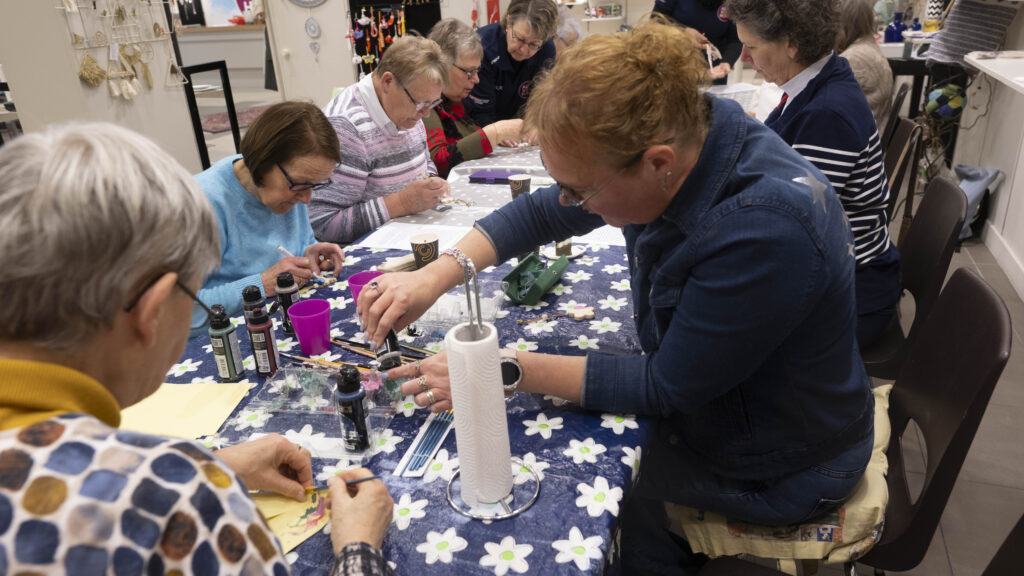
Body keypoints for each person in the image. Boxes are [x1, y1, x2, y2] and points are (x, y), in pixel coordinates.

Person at [358, 22, 874, 575]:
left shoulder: (764, 232)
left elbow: (664, 385)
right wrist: (437, 274)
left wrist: (497, 368)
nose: (569, 201)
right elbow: (544, 211)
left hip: (784, 464)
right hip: (741, 410)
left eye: (581, 190)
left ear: (657, 163)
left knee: (581, 483)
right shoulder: (690, 128)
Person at [0, 123, 394, 575]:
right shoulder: (173, 499)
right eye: (191, 295)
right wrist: (358, 548)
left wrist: (214, 460)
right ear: (151, 311)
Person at [727, 0, 901, 348]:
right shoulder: (818, 84)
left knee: (720, 327)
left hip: (851, 296)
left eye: (752, 46)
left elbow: (791, 226)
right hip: (835, 276)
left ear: (791, 42)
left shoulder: (827, 113)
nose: (744, 57)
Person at [194, 101, 345, 325]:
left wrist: (308, 253)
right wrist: (260, 285)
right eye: (300, 184)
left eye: (315, 185)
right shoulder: (201, 205)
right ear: (263, 163)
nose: (307, 199)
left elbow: (286, 249)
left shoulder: (289, 184)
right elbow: (179, 310)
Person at [313, 36, 451, 244]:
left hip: (408, 235)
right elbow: (323, 224)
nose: (426, 114)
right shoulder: (346, 128)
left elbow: (423, 163)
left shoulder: (407, 107)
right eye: (421, 103)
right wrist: (401, 203)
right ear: (388, 82)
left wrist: (431, 182)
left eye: (432, 103)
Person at [424, 18, 524, 179]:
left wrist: (495, 136)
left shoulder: (455, 101)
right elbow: (437, 161)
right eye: (469, 72)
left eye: (477, 71)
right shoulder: (425, 104)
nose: (476, 79)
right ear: (441, 66)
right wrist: (495, 133)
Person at [465, 0, 558, 126]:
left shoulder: (546, 49)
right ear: (508, 23)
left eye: (533, 44)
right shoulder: (483, 47)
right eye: (520, 39)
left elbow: (541, 104)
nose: (523, 50)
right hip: (478, 122)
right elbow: (481, 113)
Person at [836, 0, 894, 131]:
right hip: (871, 130)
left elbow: (828, 109)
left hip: (862, 137)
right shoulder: (867, 47)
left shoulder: (853, 58)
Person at [653, 0, 741, 83]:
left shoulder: (733, 3)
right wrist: (683, 32)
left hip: (714, 71)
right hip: (674, 68)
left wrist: (727, 62)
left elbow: (736, 39)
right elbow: (655, 23)